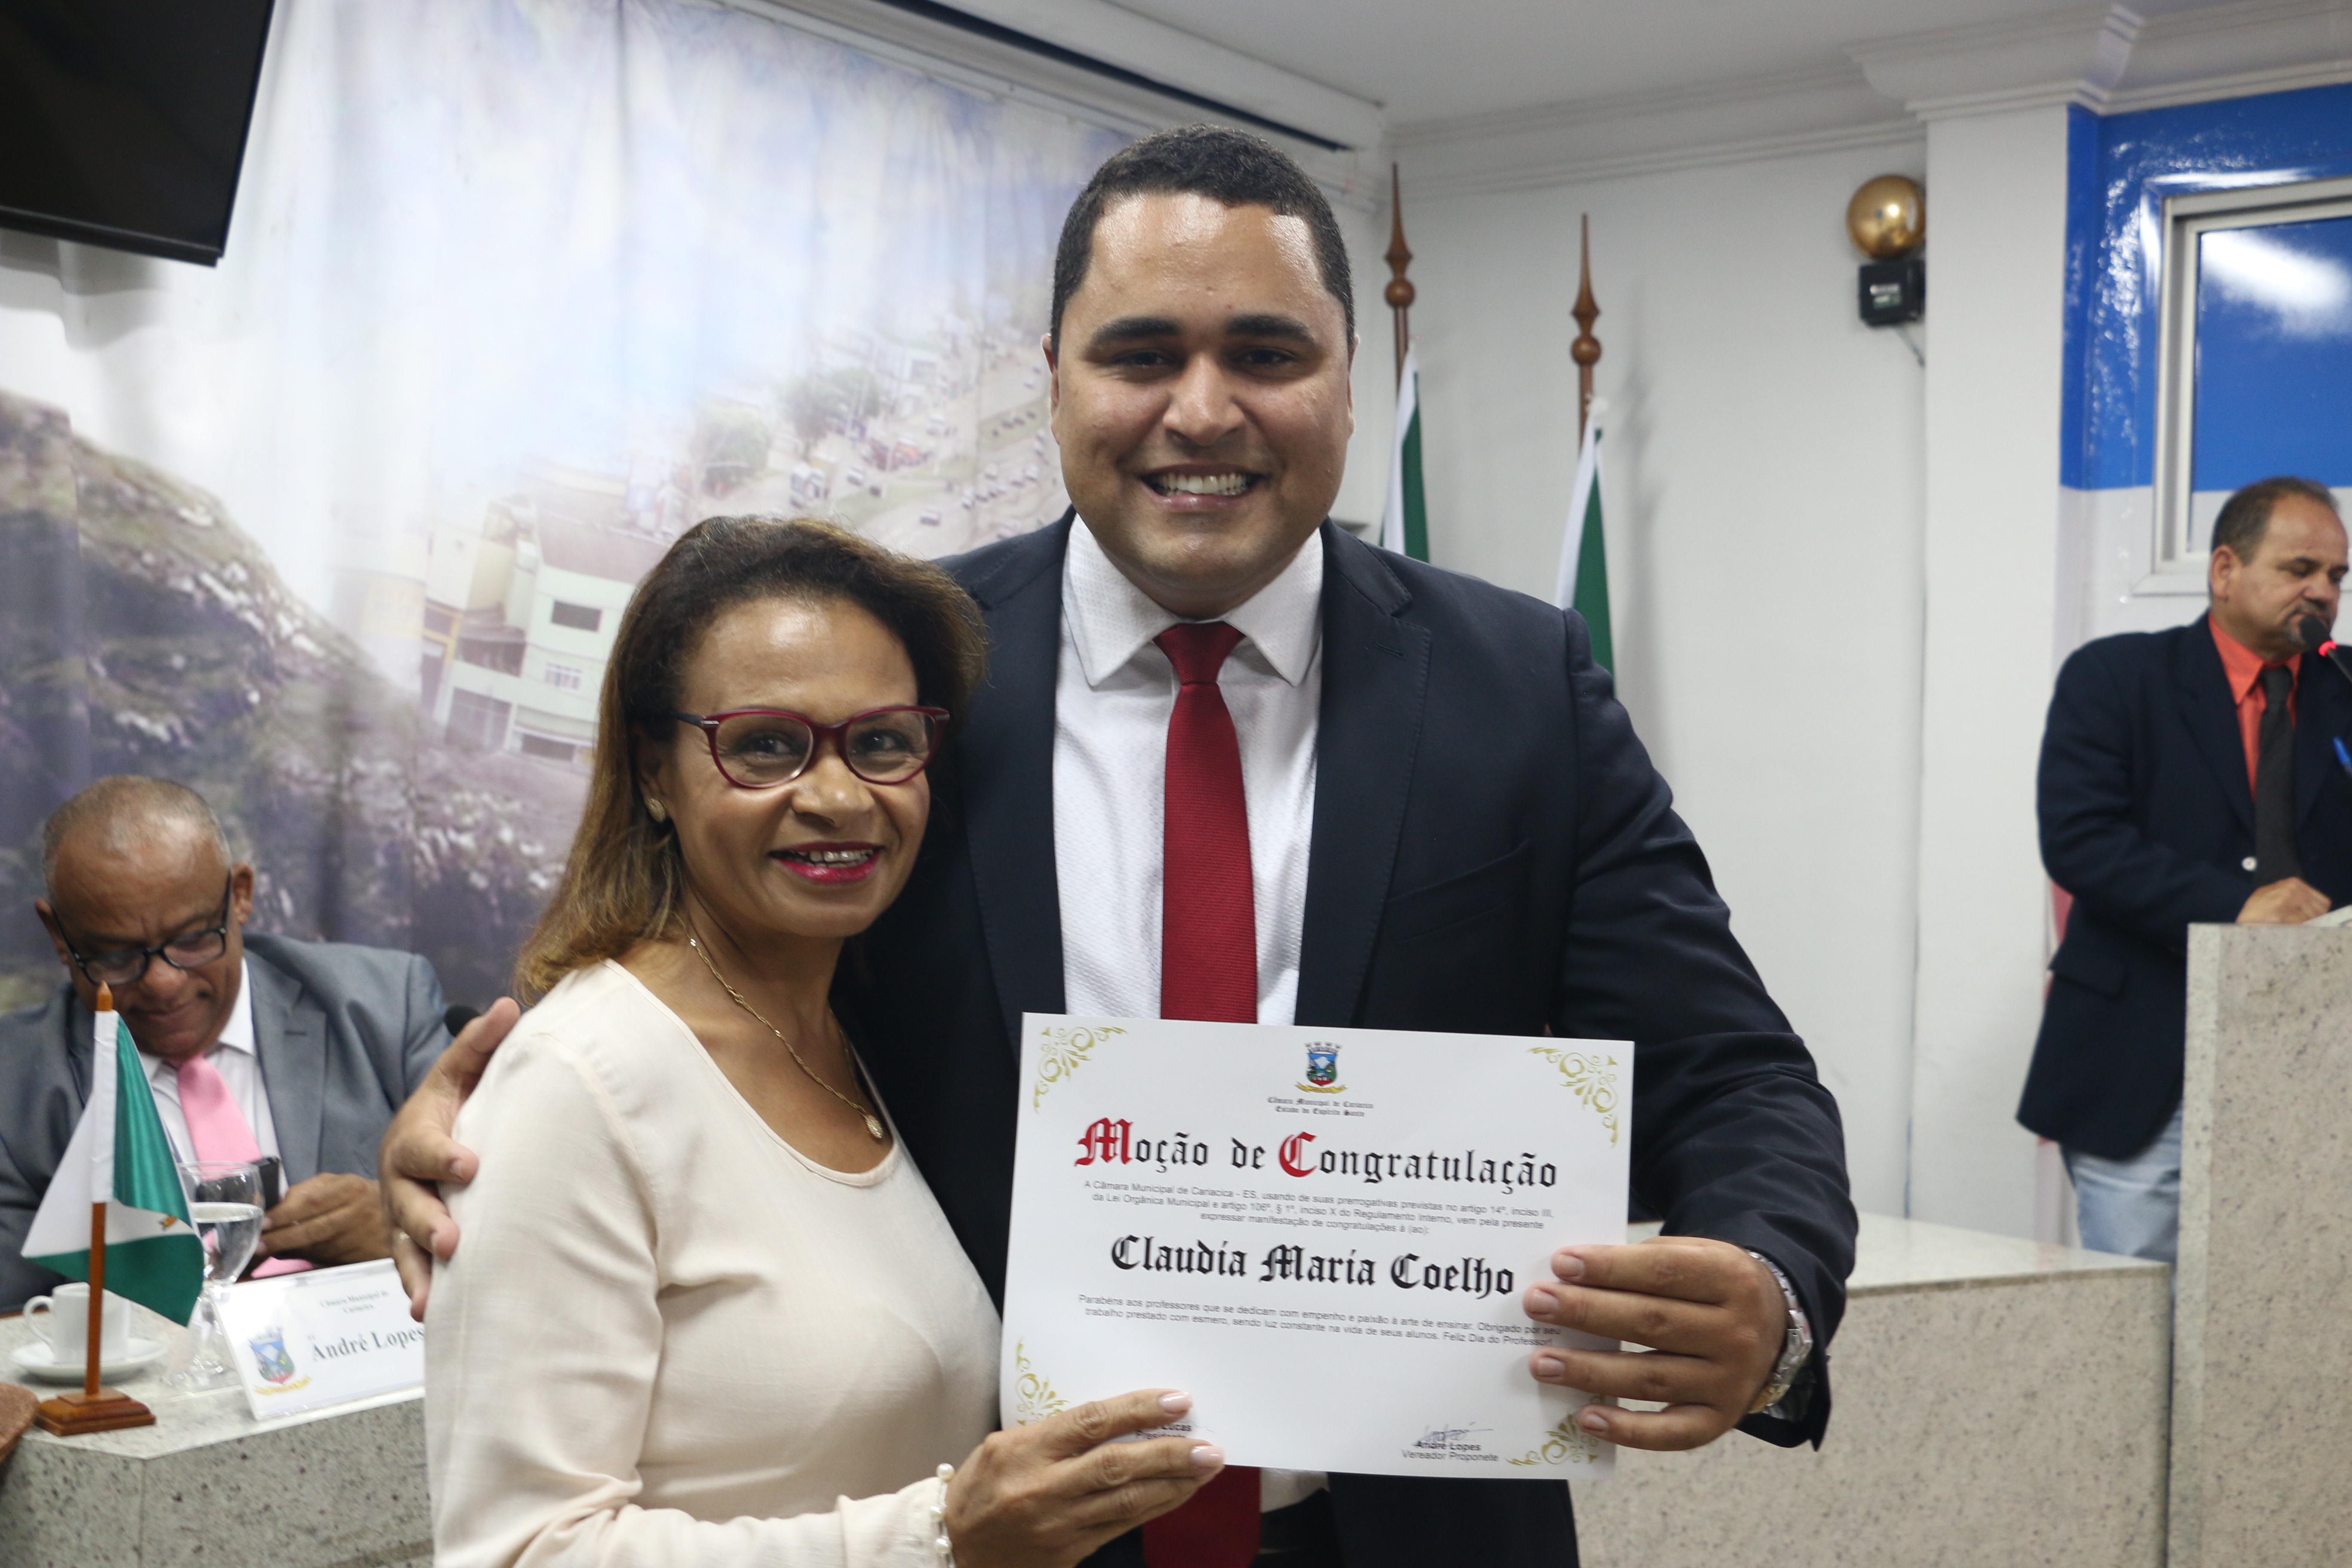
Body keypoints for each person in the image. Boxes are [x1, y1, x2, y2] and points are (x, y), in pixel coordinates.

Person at [391, 127, 1857, 1568]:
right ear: (1056, 379)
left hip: (1419, 1526)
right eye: (1142, 354)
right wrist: (480, 1124)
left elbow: (1736, 1075)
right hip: (1006, 1541)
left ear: (1351, 379)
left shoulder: (1518, 687)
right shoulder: (907, 679)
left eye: (1267, 354)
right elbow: (689, 980)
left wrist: (1768, 1289)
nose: (1202, 411)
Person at [426, 517, 1219, 1567]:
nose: (839, 797)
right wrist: (941, 1537)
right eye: (765, 745)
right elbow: (519, 1551)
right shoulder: (577, 1084)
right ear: (655, 770)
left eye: (882, 742)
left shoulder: (854, 1036)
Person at [2023, 475, 2352, 1262]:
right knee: (2146, 1313)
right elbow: (2080, 841)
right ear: (2225, 570)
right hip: (2144, 1061)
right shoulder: (2115, 676)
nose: (2322, 591)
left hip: (2313, 1065)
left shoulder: (2345, 689)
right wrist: (2237, 904)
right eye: (2299, 569)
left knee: (2288, 1302)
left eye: (2336, 576)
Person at [0, 775, 447, 1312]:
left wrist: (402, 1234)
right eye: (116, 957)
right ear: (59, 936)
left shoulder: (385, 1008)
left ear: (240, 896)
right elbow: (12, 1318)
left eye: (192, 940)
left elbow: (503, 1225)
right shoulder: (15, 1086)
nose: (164, 984)